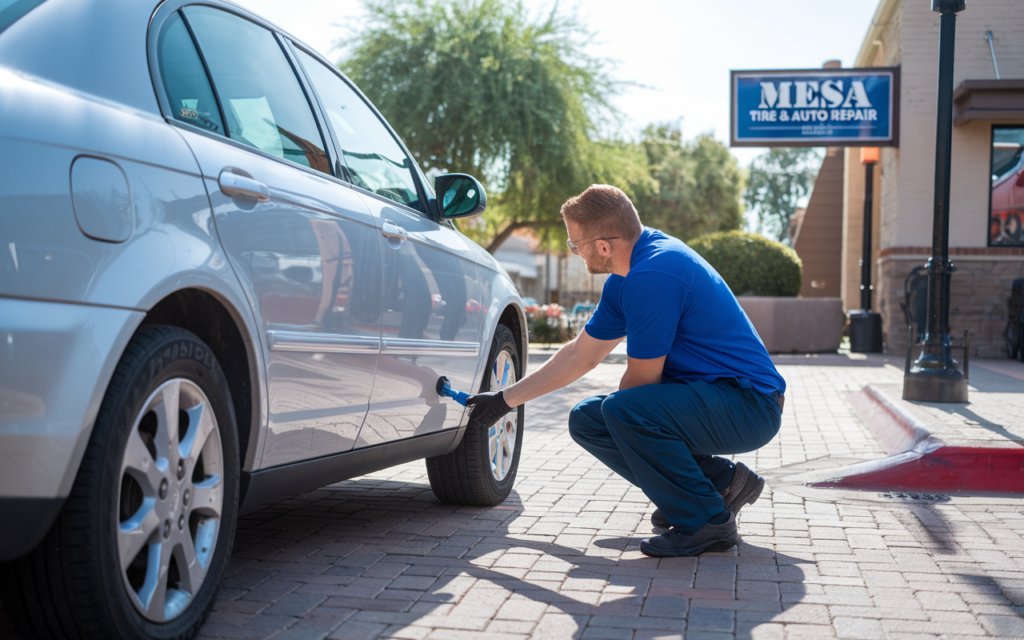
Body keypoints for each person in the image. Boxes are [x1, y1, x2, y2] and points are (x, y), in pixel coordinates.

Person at [465, 184, 786, 557]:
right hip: (714, 398)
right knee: (587, 419)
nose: (575, 253)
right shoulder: (626, 276)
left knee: (622, 410)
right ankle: (720, 485)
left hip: (749, 405)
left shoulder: (654, 275)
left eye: (575, 245)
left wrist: (624, 420)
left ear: (602, 246)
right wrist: (505, 400)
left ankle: (706, 522)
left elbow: (641, 383)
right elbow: (579, 356)